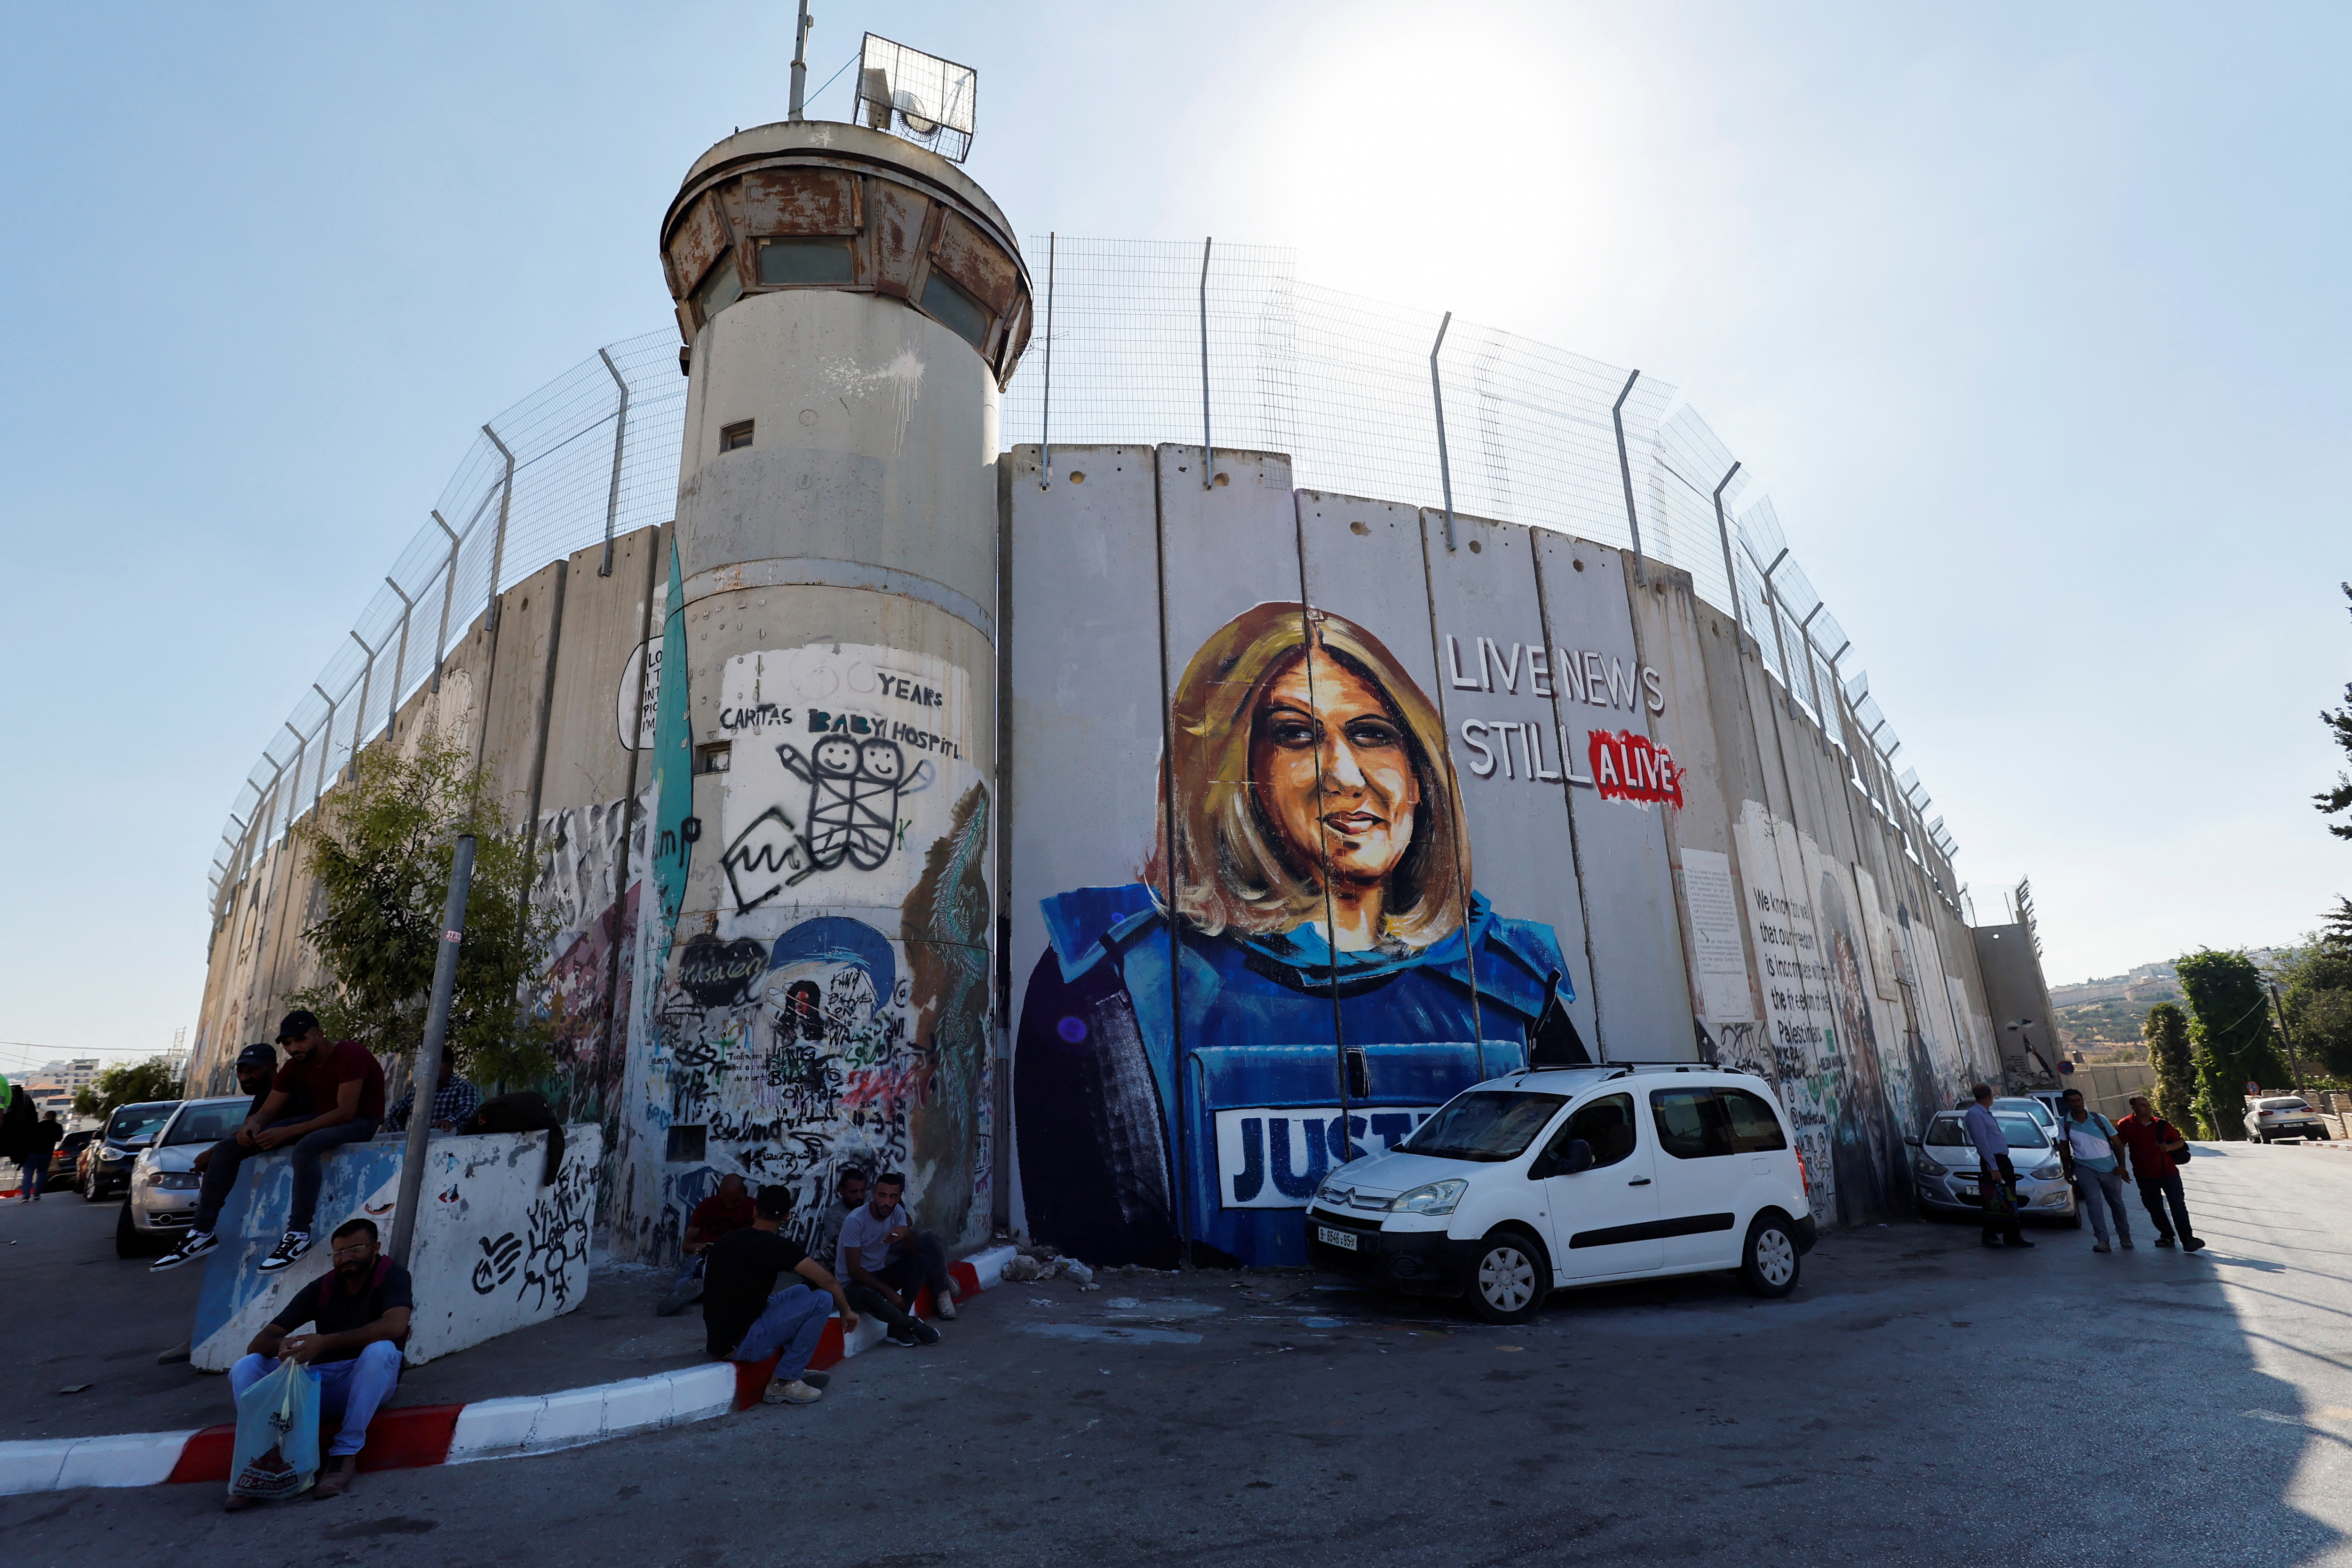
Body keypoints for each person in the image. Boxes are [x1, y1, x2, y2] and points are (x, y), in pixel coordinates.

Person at [1016, 602, 1586, 1268]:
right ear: (1231, 770)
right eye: (1296, 734)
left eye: (1374, 733)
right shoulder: (1111, 981)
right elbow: (1109, 1253)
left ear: (1422, 774)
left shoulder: (1513, 979)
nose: (1346, 776)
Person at [151, 1011, 387, 1275]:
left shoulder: (349, 1054)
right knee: (231, 1147)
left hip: (360, 1121)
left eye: (301, 1040)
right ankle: (202, 1232)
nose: (294, 1048)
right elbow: (268, 1110)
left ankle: (298, 1234)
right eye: (287, 1043)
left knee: (307, 1146)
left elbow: (346, 1112)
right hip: (320, 1118)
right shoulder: (294, 1066)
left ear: (319, 1035)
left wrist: (288, 1132)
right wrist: (254, 1124)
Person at [223, 1217, 411, 1509]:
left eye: (355, 1249)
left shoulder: (393, 1275)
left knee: (382, 1350)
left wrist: (324, 1342)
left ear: (375, 1248)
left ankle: (343, 1455)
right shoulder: (324, 1286)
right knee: (246, 1366)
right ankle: (260, 1459)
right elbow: (260, 1342)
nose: (345, 1258)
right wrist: (283, 1346)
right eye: (338, 1253)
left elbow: (396, 1325)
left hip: (366, 1381)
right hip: (320, 1384)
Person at [701, 1184, 858, 1406]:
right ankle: (785, 1382)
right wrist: (846, 1311)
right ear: (786, 1217)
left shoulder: (729, 1238)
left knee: (802, 1290)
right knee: (823, 1299)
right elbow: (828, 1280)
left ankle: (793, 1363)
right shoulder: (779, 1246)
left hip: (720, 1337)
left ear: (755, 1211)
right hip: (741, 1343)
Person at [836, 1170, 955, 1342]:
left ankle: (895, 1331)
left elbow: (913, 1252)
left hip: (877, 1274)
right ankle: (914, 1325)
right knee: (870, 1296)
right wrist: (889, 1292)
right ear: (874, 1194)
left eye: (893, 1197)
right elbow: (854, 1271)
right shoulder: (855, 1221)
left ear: (899, 1197)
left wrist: (905, 1234)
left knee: (920, 1261)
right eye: (882, 1196)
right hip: (851, 1286)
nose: (887, 1202)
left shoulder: (897, 1212)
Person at [656, 1172, 756, 1316]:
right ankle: (675, 1296)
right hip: (706, 1252)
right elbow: (687, 1244)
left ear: (743, 1192)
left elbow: (760, 1242)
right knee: (690, 1268)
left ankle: (708, 1291)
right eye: (725, 1199)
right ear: (720, 1190)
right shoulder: (707, 1205)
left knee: (732, 1273)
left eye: (733, 1201)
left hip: (736, 1255)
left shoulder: (753, 1208)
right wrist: (697, 1247)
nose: (728, 1205)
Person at [2115, 1095, 2204, 1251]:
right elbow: (2120, 1146)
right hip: (2144, 1175)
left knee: (2178, 1206)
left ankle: (2188, 1240)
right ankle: (2167, 1236)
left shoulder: (2162, 1125)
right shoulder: (2125, 1125)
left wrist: (2168, 1148)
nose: (2147, 1107)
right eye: (2143, 1105)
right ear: (2133, 1108)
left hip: (2168, 1173)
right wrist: (2122, 1166)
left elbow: (2180, 1142)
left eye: (2148, 1104)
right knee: (2154, 1207)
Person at [2057, 1088, 2132, 1253]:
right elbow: (2064, 1147)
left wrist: (2122, 1167)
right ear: (2066, 1103)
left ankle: (2125, 1236)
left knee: (2117, 1204)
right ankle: (2102, 1240)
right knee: (2094, 1204)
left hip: (2110, 1169)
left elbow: (2117, 1143)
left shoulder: (2099, 1119)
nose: (2076, 1104)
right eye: (2072, 1101)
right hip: (2085, 1168)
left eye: (2078, 1100)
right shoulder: (2065, 1123)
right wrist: (2068, 1170)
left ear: (2083, 1100)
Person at [1963, 1083, 2031, 1249]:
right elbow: (1982, 1143)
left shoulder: (1985, 1114)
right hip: (1994, 1161)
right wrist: (1993, 1167)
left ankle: (2012, 1235)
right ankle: (1990, 1235)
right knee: (1994, 1199)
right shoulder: (1975, 1115)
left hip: (2002, 1160)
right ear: (1989, 1096)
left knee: (2009, 1198)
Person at [383, 1053, 480, 1135]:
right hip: (417, 1147)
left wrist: (449, 1121)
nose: (431, 1069)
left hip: (451, 1145)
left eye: (437, 1064)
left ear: (449, 1067)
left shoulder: (463, 1087)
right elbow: (394, 1114)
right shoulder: (418, 1090)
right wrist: (401, 1135)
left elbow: (468, 1109)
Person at [21, 1111, 63, 1202]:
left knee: (28, 1175)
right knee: (42, 1174)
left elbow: (28, 1137)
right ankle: (37, 1194)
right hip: (46, 1154)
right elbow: (59, 1139)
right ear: (55, 1118)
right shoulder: (58, 1127)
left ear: (45, 1117)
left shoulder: (37, 1126)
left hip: (32, 1153)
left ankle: (26, 1196)